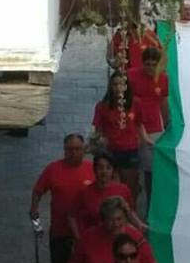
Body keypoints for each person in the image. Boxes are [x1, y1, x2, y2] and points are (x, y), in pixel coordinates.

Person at [30, 134, 94, 263]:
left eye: (77, 149)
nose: (73, 152)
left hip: (86, 230)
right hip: (60, 229)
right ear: (64, 150)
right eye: (69, 149)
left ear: (83, 150)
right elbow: (38, 190)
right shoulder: (53, 169)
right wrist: (34, 208)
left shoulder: (92, 169)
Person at [92, 72, 151, 203]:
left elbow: (139, 124)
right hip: (110, 151)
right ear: (110, 86)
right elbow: (98, 129)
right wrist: (95, 141)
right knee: (112, 187)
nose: (118, 87)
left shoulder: (136, 103)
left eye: (121, 84)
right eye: (114, 84)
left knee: (130, 187)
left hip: (130, 150)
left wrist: (146, 140)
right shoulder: (102, 106)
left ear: (126, 86)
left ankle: (131, 211)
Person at [127, 47, 169, 205]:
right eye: (147, 64)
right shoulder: (131, 75)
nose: (150, 68)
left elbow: (163, 102)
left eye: (153, 64)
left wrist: (166, 124)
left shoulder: (163, 79)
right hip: (133, 124)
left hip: (154, 126)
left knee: (152, 168)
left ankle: (152, 203)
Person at [71, 151, 144, 237]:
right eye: (100, 167)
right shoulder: (84, 192)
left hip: (118, 239)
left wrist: (139, 225)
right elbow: (72, 216)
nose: (104, 171)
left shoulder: (123, 190)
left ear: (113, 170)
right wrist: (79, 238)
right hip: (94, 239)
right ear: (94, 169)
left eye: (108, 168)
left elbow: (130, 212)